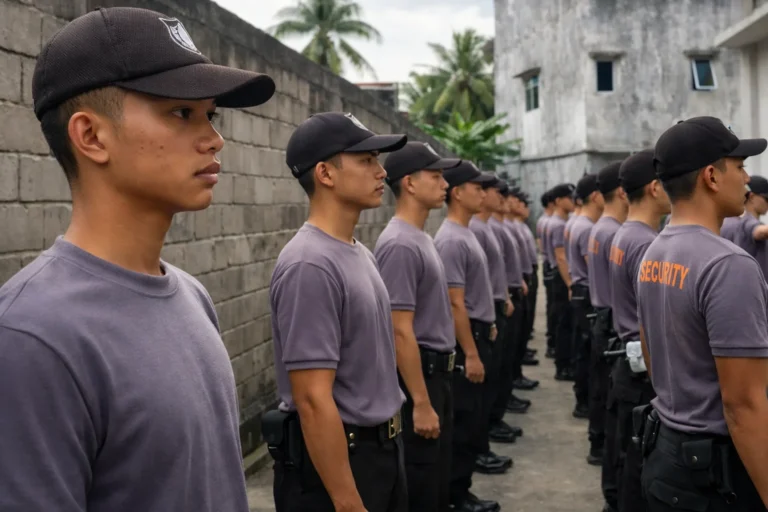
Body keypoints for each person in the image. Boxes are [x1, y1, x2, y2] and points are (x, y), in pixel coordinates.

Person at [0, 7, 275, 512]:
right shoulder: (31, 336)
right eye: (182, 113)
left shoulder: (192, 296)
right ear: (91, 136)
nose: (214, 138)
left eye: (210, 114)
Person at [267, 112, 408, 512]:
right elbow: (312, 398)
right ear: (325, 173)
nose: (381, 172)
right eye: (366, 160)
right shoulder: (309, 263)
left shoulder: (358, 252)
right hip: (340, 465)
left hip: (380, 453)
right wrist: (347, 501)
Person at [637, 116, 768, 511]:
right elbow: (743, 405)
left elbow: (651, 355)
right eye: (740, 166)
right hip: (717, 474)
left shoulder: (654, 252)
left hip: (668, 454)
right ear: (711, 176)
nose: (746, 178)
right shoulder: (728, 265)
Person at [373, 141, 461, 512]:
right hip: (419, 379)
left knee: (437, 478)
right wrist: (421, 403)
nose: (445, 185)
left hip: (437, 375)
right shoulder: (399, 244)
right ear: (409, 183)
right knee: (422, 482)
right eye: (436, 176)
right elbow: (399, 330)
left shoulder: (420, 237)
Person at [434, 161, 502, 512]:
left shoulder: (465, 233)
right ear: (458, 193)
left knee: (474, 417)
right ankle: (455, 497)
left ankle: (462, 490)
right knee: (463, 423)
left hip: (478, 332)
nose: (483, 193)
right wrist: (471, 353)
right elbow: (455, 303)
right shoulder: (450, 239)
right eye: (477, 188)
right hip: (467, 340)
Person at [607, 149, 670, 512]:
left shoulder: (625, 233)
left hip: (627, 358)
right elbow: (652, 321)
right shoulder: (646, 242)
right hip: (641, 367)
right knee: (638, 462)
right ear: (654, 188)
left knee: (626, 455)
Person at [586, 161, 628, 511]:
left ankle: (598, 444)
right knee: (610, 400)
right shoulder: (613, 232)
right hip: (612, 321)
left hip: (604, 318)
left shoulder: (603, 228)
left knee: (604, 393)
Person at [468, 175, 516, 473]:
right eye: (494, 191)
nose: (502, 197)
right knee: (478, 396)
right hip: (480, 318)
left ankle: (486, 435)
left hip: (493, 310)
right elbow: (460, 295)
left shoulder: (481, 228)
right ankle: (479, 448)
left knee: (496, 378)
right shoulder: (473, 229)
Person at [488, 181, 531, 435]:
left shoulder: (496, 227)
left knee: (507, 360)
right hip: (496, 305)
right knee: (497, 368)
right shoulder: (486, 229)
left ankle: (503, 403)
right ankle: (492, 420)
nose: (507, 201)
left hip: (507, 297)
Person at [568, 173, 604, 420]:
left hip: (581, 290)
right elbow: (594, 267)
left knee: (583, 347)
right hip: (586, 291)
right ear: (595, 196)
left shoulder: (579, 223)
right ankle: (583, 401)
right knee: (587, 350)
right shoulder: (586, 228)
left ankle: (582, 398)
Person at [544, 183, 577, 381]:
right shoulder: (558, 224)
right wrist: (569, 283)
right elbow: (561, 256)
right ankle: (562, 366)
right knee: (564, 322)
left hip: (558, 274)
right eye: (568, 197)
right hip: (560, 276)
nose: (572, 201)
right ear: (558, 201)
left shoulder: (557, 222)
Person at [720, 169, 768, 280]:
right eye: (767, 199)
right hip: (752, 284)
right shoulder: (747, 222)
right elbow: (759, 231)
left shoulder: (726, 221)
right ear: (752, 197)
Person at [511, 190, 541, 352]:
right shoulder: (511, 227)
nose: (525, 208)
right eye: (522, 203)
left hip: (525, 274)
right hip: (517, 279)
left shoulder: (519, 225)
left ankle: (523, 350)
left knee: (525, 318)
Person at [537, 191, 557, 358]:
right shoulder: (552, 222)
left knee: (552, 306)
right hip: (552, 267)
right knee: (556, 309)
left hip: (547, 264)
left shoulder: (544, 221)